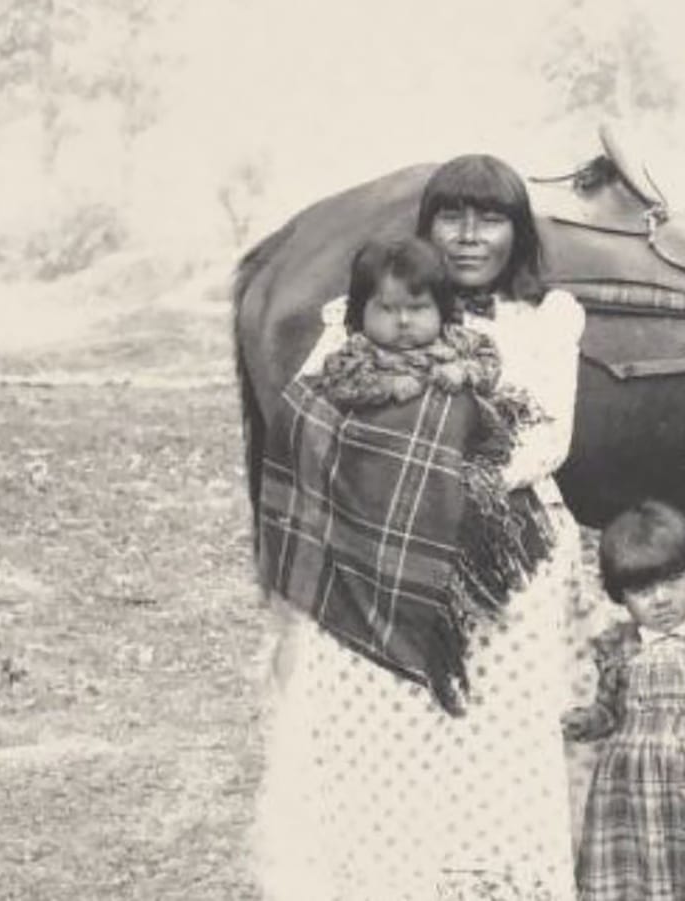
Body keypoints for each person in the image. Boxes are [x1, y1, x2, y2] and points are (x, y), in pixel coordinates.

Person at [251, 154, 588, 901]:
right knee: (383, 734)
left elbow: (547, 437)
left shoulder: (547, 318)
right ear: (427, 225)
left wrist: (445, 497)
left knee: (491, 738)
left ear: (517, 231)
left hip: (498, 561)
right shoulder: (367, 308)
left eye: (490, 218)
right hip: (371, 555)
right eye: (452, 217)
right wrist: (378, 495)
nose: (470, 237)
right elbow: (309, 417)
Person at [563, 500, 685, 901]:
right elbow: (611, 711)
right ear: (620, 597)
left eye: (672, 581)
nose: (661, 599)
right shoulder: (619, 644)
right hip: (628, 787)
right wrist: (588, 720)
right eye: (642, 590)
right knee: (635, 876)